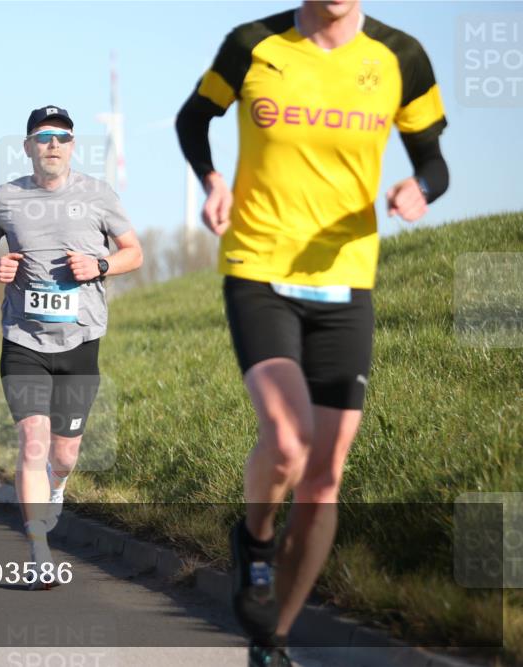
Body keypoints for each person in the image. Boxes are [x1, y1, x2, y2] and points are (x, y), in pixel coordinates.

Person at [175, 2, 448, 664]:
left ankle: (273, 640)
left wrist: (420, 189)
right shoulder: (253, 44)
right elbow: (194, 117)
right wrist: (212, 180)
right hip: (260, 268)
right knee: (288, 439)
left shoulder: (401, 56)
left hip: (347, 280)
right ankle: (255, 538)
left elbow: (435, 163)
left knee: (324, 477)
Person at [0, 105, 143, 589]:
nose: (53, 144)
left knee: (63, 456)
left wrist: (100, 266)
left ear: (72, 146)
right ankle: (38, 552)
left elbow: (134, 252)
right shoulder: (5, 198)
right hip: (23, 340)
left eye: (62, 137)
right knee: (32, 442)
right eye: (44, 136)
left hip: (80, 340)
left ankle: (58, 485)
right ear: (27, 146)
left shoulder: (98, 195)